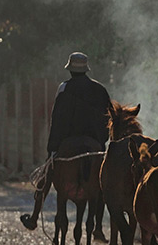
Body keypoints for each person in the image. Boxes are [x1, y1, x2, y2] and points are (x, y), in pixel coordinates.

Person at [20, 52, 111, 234]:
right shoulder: (100, 90)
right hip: (95, 146)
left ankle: (35, 217)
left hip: (67, 142)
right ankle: (100, 227)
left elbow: (57, 119)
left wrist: (52, 148)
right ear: (86, 70)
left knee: (46, 175)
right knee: (105, 184)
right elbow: (108, 119)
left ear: (70, 70)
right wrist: (101, 143)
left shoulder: (64, 88)